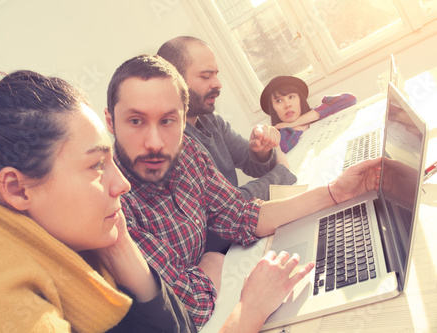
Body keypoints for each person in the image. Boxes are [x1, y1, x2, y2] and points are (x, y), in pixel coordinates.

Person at [104, 54, 381, 330]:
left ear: (183, 118)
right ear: (110, 122)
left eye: (167, 121)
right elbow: (188, 307)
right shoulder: (111, 204)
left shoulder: (187, 151)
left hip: (222, 296)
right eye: (136, 121)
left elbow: (241, 215)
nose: (154, 143)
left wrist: (335, 192)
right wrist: (213, 262)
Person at [0, 50, 196, 333]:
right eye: (97, 164)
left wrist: (124, 251)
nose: (123, 184)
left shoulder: (70, 242)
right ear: (17, 188)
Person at [158, 36, 297, 253]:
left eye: (216, 74)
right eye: (206, 76)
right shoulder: (172, 145)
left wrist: (261, 150)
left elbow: (251, 162)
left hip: (244, 235)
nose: (217, 84)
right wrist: (281, 172)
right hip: (223, 252)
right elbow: (228, 210)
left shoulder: (209, 119)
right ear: (172, 81)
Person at [260, 75, 357, 153]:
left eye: (291, 97)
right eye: (279, 101)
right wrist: (293, 128)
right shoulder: (277, 137)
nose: (287, 105)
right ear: (273, 108)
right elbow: (280, 150)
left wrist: (294, 123)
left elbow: (350, 99)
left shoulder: (318, 113)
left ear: (300, 99)